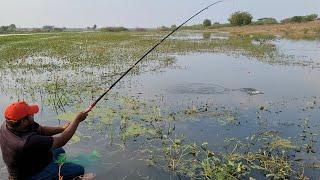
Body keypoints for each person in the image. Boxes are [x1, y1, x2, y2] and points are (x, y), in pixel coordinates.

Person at [0, 101, 88, 180]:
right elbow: (62, 140)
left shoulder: (9, 125)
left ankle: (58, 169)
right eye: (30, 114)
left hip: (28, 162)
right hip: (30, 175)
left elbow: (41, 130)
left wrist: (62, 128)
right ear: (23, 121)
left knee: (59, 150)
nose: (33, 115)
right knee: (79, 170)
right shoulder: (26, 141)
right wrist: (77, 119)